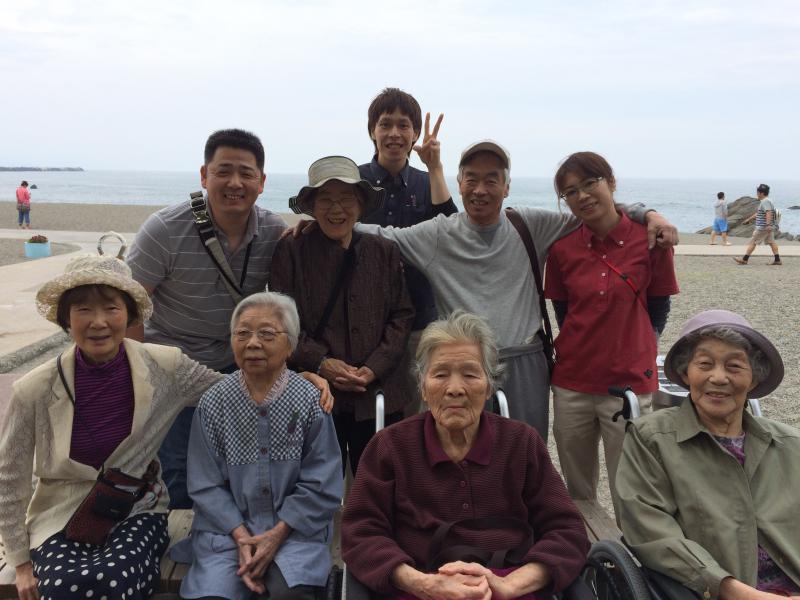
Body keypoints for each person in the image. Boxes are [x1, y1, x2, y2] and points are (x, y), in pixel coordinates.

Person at [302, 139, 677, 438]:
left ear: (507, 187)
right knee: (457, 451)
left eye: (492, 180)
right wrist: (323, 221)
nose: (480, 189)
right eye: (472, 179)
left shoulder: (529, 225)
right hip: (462, 362)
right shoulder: (438, 235)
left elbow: (594, 210)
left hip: (524, 362)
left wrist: (648, 214)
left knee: (524, 455)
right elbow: (381, 235)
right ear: (459, 184)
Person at [0, 255, 224, 600]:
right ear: (66, 318)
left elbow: (233, 391)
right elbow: (9, 476)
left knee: (113, 578)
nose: (98, 322)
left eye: (111, 308)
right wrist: (20, 561)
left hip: (137, 509)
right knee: (62, 586)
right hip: (60, 516)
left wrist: (302, 381)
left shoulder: (165, 366)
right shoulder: (35, 388)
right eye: (83, 310)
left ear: (129, 314)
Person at [341, 311, 590, 599]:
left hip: (510, 585)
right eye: (440, 374)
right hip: (422, 587)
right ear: (423, 386)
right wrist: (423, 584)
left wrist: (510, 585)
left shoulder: (522, 443)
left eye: (470, 374)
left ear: (489, 385)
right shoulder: (390, 447)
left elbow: (567, 530)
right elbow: (361, 533)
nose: (455, 389)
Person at [127, 129, 290, 508]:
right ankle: (185, 539)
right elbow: (132, 305)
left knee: (238, 469)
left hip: (237, 368)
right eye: (223, 171)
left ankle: (229, 534)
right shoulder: (164, 229)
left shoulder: (273, 232)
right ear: (204, 176)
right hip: (172, 370)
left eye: (246, 173)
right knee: (177, 471)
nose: (235, 183)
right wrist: (135, 380)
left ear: (262, 182)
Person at [616, 309, 800, 600]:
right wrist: (734, 591)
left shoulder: (790, 445)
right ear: (686, 373)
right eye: (704, 364)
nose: (718, 377)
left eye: (734, 366)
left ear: (754, 379)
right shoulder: (651, 439)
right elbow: (650, 531)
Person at [179, 292, 343, 600]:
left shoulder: (310, 401)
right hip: (226, 533)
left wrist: (277, 534)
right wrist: (242, 537)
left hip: (295, 532)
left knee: (288, 592)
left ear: (290, 345)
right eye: (242, 333)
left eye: (267, 334)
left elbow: (322, 483)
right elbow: (205, 484)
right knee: (214, 595)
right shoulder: (213, 402)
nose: (252, 343)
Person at [544, 151, 679, 502]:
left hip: (629, 382)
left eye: (590, 183)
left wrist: (639, 347)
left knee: (632, 489)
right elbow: (564, 312)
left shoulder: (650, 240)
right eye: (570, 192)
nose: (582, 196)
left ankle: (629, 540)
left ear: (611, 182)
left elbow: (659, 306)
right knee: (577, 489)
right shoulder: (562, 249)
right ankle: (584, 538)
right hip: (572, 383)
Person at [270, 156, 414, 475]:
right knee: (316, 484)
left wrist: (374, 367)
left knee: (380, 484)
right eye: (326, 199)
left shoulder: (384, 251)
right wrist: (322, 363)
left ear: (361, 204)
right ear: (312, 206)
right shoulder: (291, 250)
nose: (337, 209)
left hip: (379, 394)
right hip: (316, 393)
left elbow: (402, 315)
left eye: (347, 198)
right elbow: (280, 323)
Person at [359, 87, 458, 416]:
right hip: (364, 320)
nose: (394, 133)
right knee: (368, 410)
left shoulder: (427, 181)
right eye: (385, 124)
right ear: (372, 131)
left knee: (419, 411)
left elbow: (451, 232)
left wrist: (435, 168)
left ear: (415, 133)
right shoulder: (354, 180)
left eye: (404, 125)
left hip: (420, 319)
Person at [734, 184, 781, 265]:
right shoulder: (767, 201)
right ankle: (777, 260)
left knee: (753, 242)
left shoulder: (765, 201)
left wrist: (768, 225)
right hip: (767, 227)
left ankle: (744, 259)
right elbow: (759, 213)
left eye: (757, 192)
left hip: (763, 227)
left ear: (761, 193)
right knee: (771, 242)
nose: (757, 194)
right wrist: (748, 219)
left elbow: (768, 212)